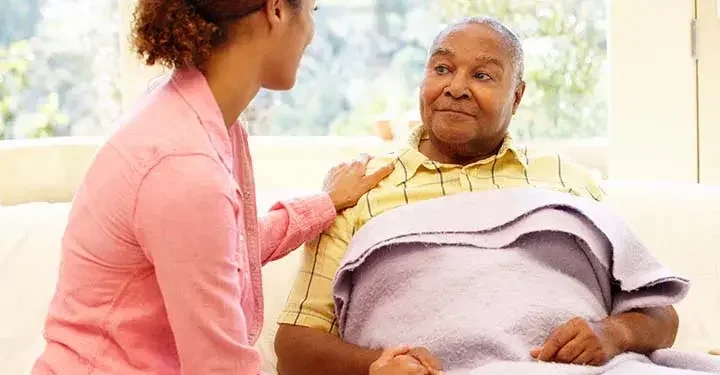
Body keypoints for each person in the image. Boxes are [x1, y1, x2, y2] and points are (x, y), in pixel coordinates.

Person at [274, 17, 679, 375]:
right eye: (442, 69)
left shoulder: (567, 180)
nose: (456, 88)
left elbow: (661, 315)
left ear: (517, 97)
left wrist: (613, 333)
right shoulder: (362, 190)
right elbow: (293, 348)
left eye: (482, 76)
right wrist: (376, 366)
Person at [29, 0, 413, 374]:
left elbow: (225, 250)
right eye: (313, 11)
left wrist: (326, 204)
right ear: (276, 9)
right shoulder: (184, 167)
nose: (311, 34)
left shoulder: (191, 112)